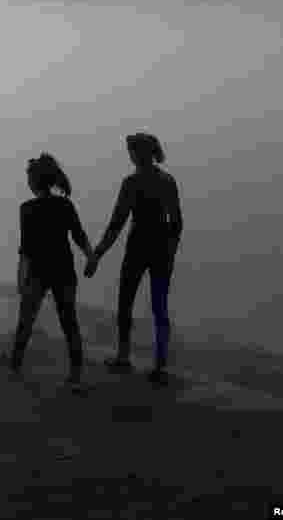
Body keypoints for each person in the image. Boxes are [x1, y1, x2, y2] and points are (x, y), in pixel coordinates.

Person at [84, 133, 182, 386]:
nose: (129, 155)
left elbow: (117, 223)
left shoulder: (132, 182)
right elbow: (177, 223)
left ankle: (124, 356)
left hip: (138, 247)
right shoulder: (167, 181)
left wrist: (98, 254)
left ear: (139, 153)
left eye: (131, 151)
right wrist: (171, 251)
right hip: (161, 250)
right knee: (160, 307)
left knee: (125, 302)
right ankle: (160, 365)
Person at [1, 153, 94, 387]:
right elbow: (79, 236)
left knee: (26, 320)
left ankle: (15, 361)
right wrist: (91, 257)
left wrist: (21, 279)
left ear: (33, 182)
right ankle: (76, 375)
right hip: (63, 271)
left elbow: (26, 250)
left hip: (38, 273)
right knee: (69, 322)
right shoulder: (65, 205)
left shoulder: (27, 209)